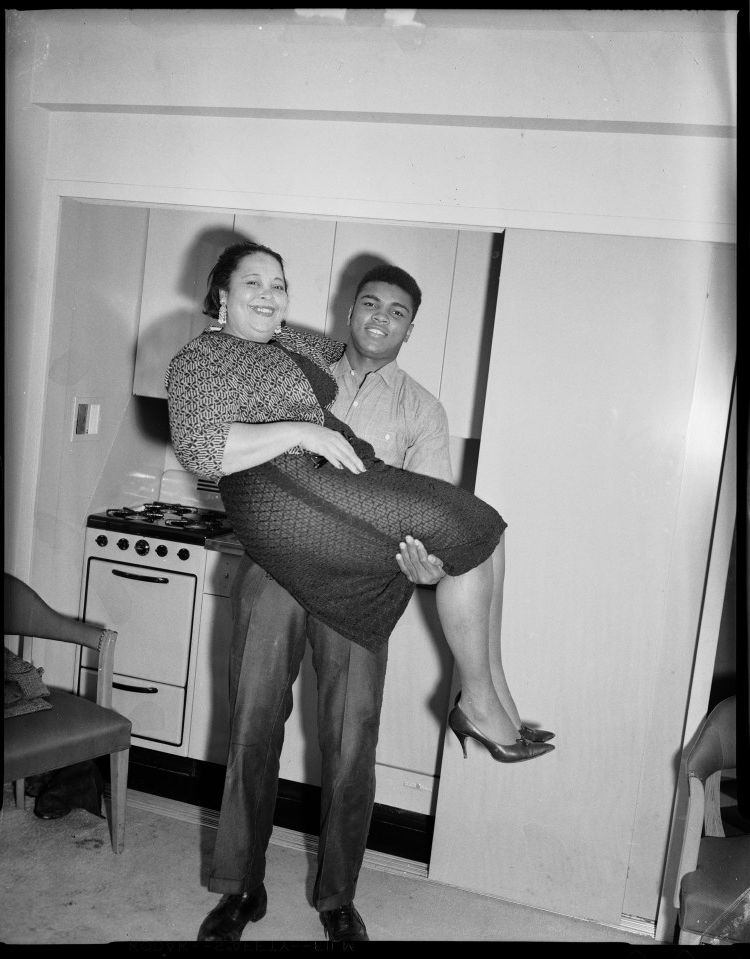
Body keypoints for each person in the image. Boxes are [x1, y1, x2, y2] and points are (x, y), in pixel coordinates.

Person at [165, 244, 555, 940]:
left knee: (352, 744)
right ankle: (240, 888)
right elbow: (210, 445)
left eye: (397, 312)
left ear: (410, 329)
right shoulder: (308, 354)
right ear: (350, 311)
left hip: (365, 581)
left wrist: (426, 569)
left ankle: (337, 895)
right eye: (369, 304)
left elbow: (432, 522)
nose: (380, 318)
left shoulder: (422, 411)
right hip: (278, 574)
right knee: (252, 729)